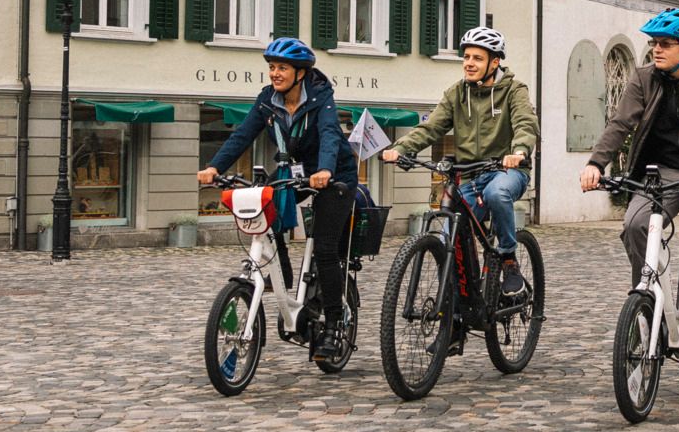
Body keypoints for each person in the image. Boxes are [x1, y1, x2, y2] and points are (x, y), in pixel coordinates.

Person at [582, 8, 679, 351]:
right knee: (635, 224)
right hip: (661, 171)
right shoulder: (643, 79)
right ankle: (647, 300)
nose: (656, 49)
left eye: (666, 43)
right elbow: (620, 124)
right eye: (654, 43)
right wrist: (596, 163)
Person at [200, 38, 359, 354]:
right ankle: (283, 272)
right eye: (272, 67)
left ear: (300, 73)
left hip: (335, 177)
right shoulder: (267, 100)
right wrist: (214, 167)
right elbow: (243, 134)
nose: (275, 73)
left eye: (282, 67)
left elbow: (329, 135)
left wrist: (326, 170)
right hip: (295, 172)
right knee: (265, 207)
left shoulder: (321, 99)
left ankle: (333, 323)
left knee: (325, 249)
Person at [383, 25, 541, 303]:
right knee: (448, 240)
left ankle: (507, 258)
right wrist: (400, 148)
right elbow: (430, 128)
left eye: (477, 58)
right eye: (466, 57)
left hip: (507, 171)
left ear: (495, 62)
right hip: (469, 176)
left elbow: (526, 124)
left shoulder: (514, 91)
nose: (469, 63)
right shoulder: (456, 94)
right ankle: (455, 316)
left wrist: (518, 150)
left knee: (497, 193)